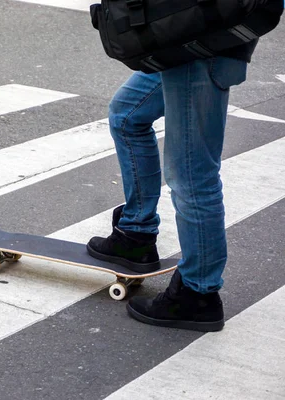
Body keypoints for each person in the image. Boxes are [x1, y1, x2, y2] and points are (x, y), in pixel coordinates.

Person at [86, 41, 258, 332]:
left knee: (192, 173)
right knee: (127, 115)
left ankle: (198, 293)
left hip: (201, 47)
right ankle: (135, 234)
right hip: (178, 44)